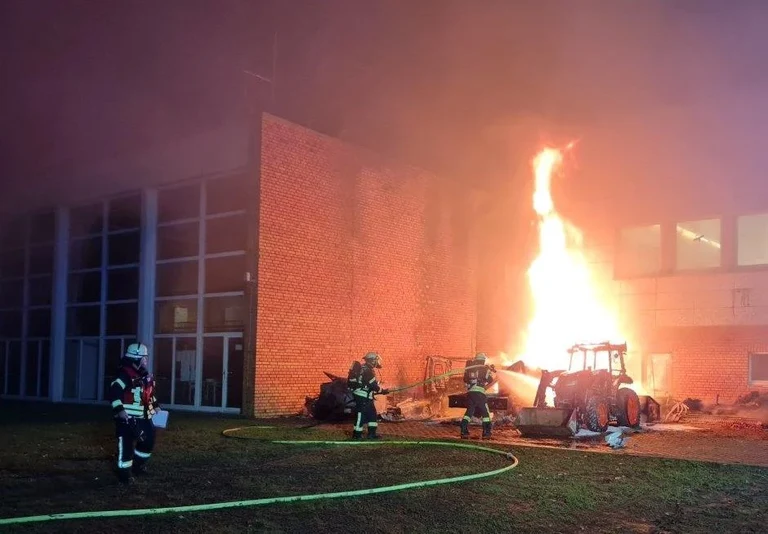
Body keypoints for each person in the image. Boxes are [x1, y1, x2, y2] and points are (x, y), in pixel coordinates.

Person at [108, 342, 160, 484]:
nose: (146, 360)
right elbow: (114, 393)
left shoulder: (143, 375)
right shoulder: (124, 375)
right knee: (126, 446)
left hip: (144, 417)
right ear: (136, 359)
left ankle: (138, 466)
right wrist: (120, 411)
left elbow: (148, 394)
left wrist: (156, 406)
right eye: (144, 357)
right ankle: (124, 474)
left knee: (148, 441)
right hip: (127, 419)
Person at [347, 351, 389, 440]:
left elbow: (370, 384)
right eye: (376, 360)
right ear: (373, 361)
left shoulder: (365, 368)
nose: (378, 362)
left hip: (366, 396)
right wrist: (382, 391)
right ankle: (357, 435)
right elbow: (373, 385)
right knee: (360, 414)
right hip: (362, 396)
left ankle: (372, 434)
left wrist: (379, 390)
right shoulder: (367, 370)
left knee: (372, 414)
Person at [460, 352, 495, 439]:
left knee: (469, 412)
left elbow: (465, 379)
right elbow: (491, 380)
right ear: (483, 361)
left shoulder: (470, 369)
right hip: (480, 394)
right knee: (485, 413)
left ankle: (463, 429)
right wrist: (489, 371)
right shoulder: (485, 369)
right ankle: (486, 432)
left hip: (471, 393)